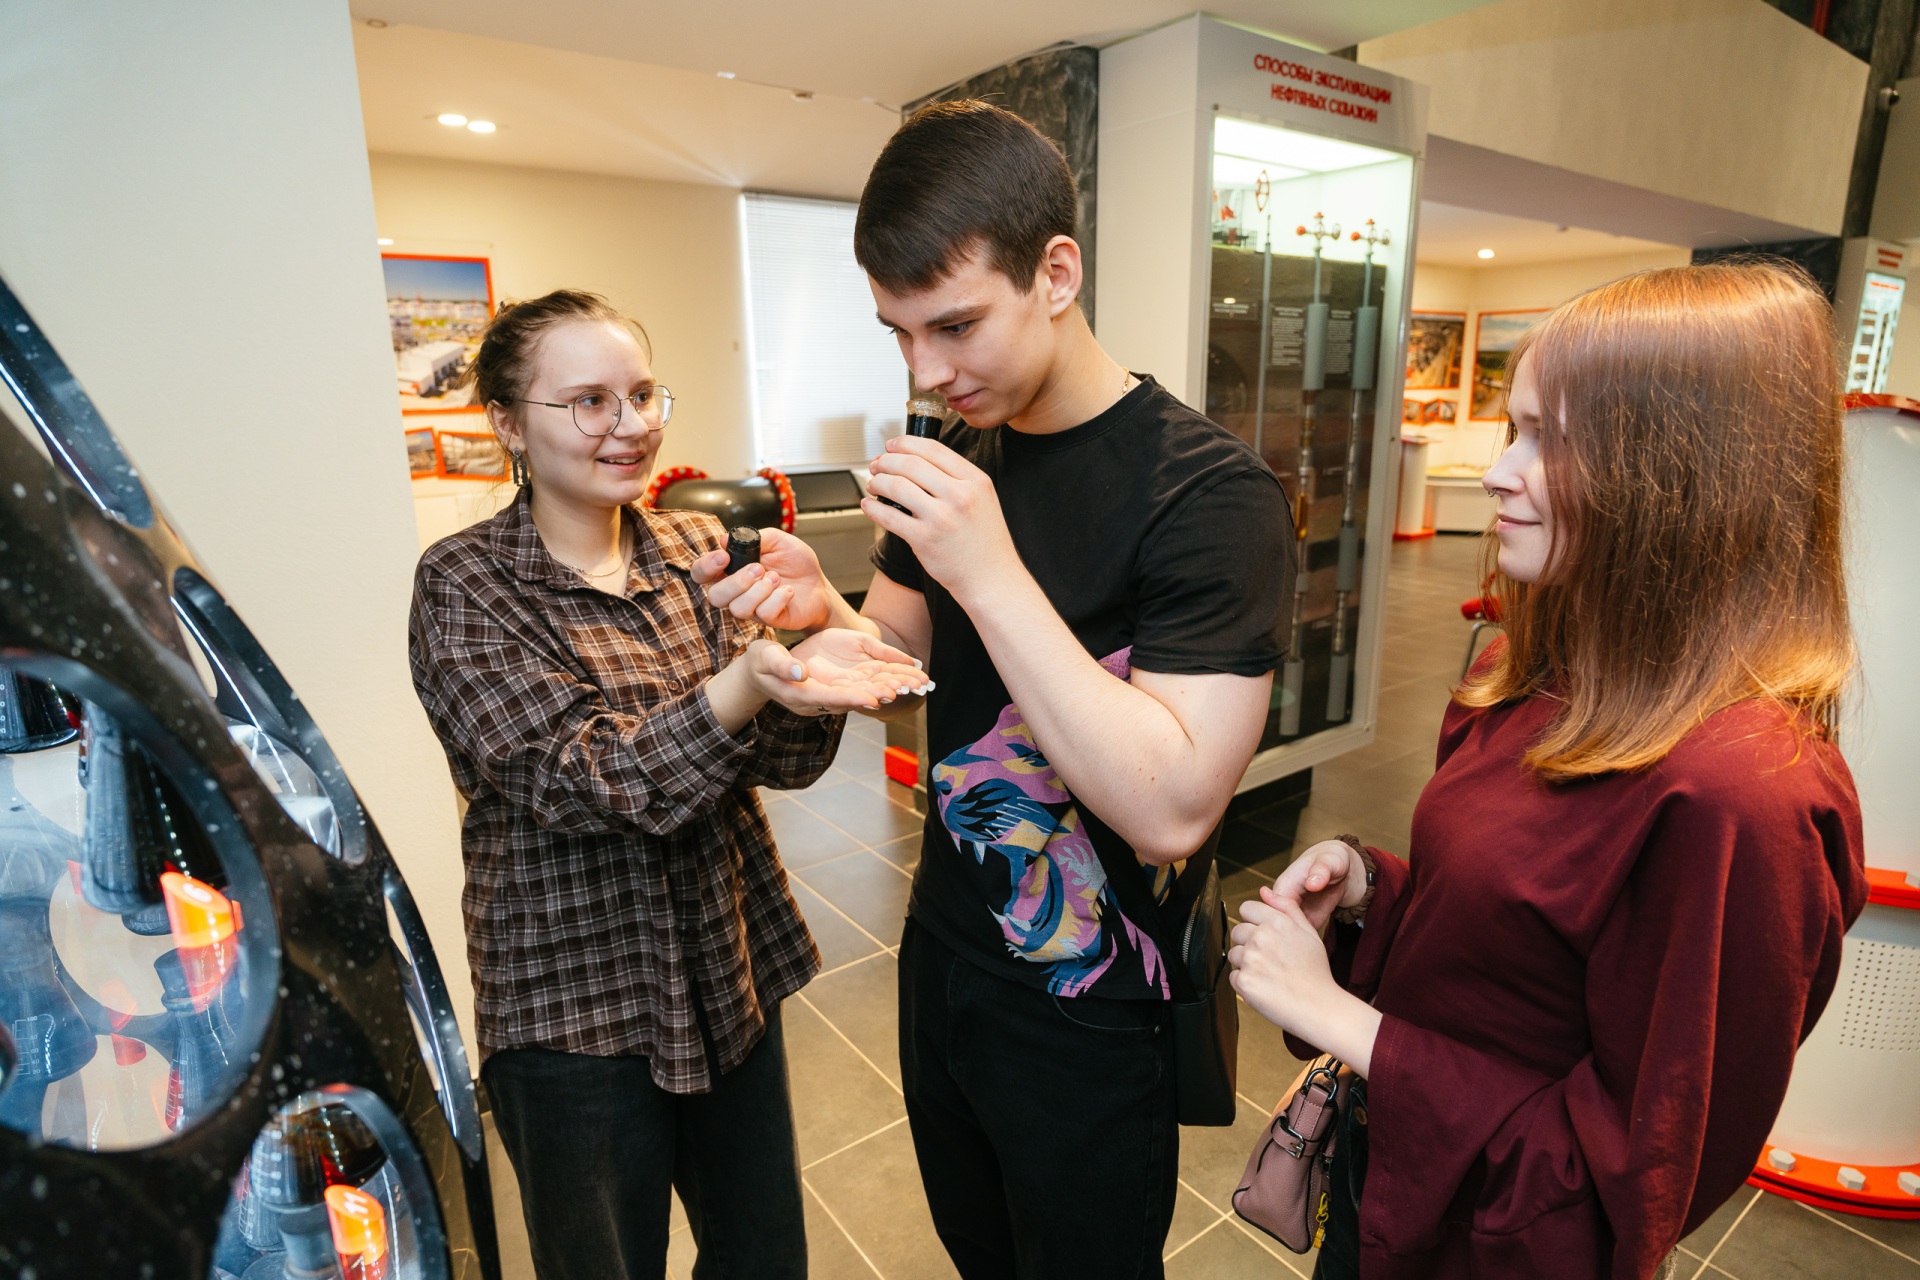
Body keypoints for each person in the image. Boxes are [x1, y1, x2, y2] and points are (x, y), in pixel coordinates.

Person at [696, 101, 1295, 1277]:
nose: (925, 371)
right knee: (979, 1249)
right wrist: (825, 612)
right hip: (945, 942)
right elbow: (903, 654)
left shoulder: (1212, 495)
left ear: (1056, 273)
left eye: (957, 324)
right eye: (899, 332)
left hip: (1093, 992)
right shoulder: (958, 456)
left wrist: (988, 564)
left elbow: (1173, 805)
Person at [1227, 262, 1870, 1280]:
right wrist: (1370, 891)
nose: (1496, 472)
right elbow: (1516, 949)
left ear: (1682, 479)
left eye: (1548, 440)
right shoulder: (1532, 670)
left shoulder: (1741, 797)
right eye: (1513, 430)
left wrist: (1351, 1025)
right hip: (1397, 1186)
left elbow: (1620, 1188)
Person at [407, 289, 926, 1280]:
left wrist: (808, 671)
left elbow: (778, 760)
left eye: (643, 394)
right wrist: (748, 682)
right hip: (574, 1000)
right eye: (589, 401)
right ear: (509, 423)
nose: (631, 424)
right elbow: (583, 778)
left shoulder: (693, 546)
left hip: (722, 962)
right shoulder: (464, 582)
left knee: (761, 1253)